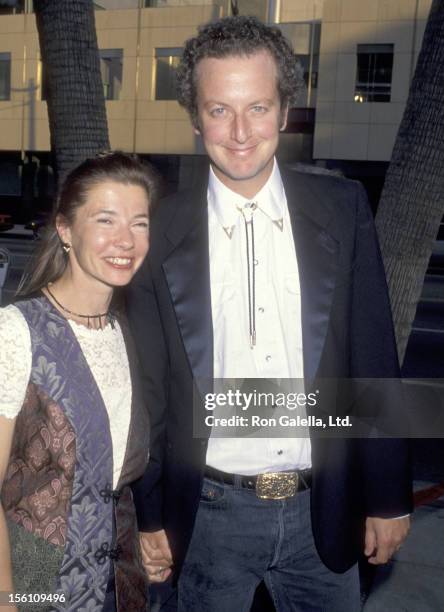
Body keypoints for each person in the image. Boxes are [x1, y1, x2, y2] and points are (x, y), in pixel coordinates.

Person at [127, 16, 412, 611]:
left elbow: (372, 355)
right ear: (195, 117)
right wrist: (150, 514)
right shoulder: (162, 230)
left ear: (285, 111)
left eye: (257, 107)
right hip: (207, 521)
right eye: (218, 110)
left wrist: (388, 496)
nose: (238, 132)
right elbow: (149, 394)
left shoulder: (342, 206)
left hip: (323, 511)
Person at [0, 152, 158, 611]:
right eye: (105, 220)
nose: (125, 240)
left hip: (119, 590)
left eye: (139, 223)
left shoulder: (126, 333)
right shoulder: (16, 331)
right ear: (66, 230)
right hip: (37, 588)